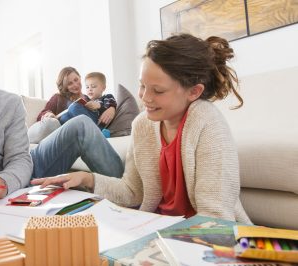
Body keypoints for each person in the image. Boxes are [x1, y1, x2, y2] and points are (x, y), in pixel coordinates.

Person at [32, 33, 252, 223]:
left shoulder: (208, 124)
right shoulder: (143, 125)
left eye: (157, 90)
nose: (145, 97)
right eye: (142, 85)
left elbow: (216, 220)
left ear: (193, 92)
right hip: (151, 226)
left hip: (200, 240)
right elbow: (132, 191)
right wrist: (87, 179)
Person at [0, 22, 124, 203]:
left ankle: (127, 197)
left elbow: (19, 159)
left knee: (82, 124)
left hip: (27, 170)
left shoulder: (9, 103)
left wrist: (3, 181)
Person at [28, 67, 117, 143]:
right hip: (73, 132)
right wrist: (49, 114)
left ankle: (96, 132)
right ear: (64, 86)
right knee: (63, 118)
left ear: (79, 77)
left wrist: (112, 108)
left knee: (74, 107)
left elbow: (105, 101)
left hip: (90, 122)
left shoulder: (89, 97)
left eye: (76, 80)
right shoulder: (58, 97)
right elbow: (42, 114)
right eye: (70, 83)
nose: (75, 85)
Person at [58, 72, 117, 137]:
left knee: (74, 107)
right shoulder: (87, 99)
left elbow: (111, 107)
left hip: (97, 121)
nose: (90, 89)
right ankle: (80, 134)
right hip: (86, 121)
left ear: (103, 88)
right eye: (87, 87)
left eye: (93, 86)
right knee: (64, 117)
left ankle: (97, 132)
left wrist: (99, 106)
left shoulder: (107, 97)